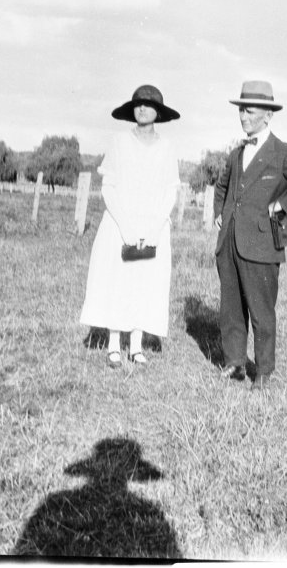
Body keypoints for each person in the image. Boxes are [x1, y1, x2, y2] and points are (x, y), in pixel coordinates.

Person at [213, 80, 287, 392]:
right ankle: (235, 363)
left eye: (249, 112)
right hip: (230, 244)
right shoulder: (236, 153)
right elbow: (223, 185)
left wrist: (283, 207)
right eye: (241, 111)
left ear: (267, 116)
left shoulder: (283, 153)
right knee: (231, 307)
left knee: (262, 311)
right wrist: (219, 214)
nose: (243, 117)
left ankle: (263, 372)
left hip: (263, 245)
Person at [80, 85, 181, 367]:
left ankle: (136, 346)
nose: (142, 109)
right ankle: (114, 344)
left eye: (149, 105)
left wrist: (154, 226)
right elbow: (109, 186)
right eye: (138, 104)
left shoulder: (166, 147)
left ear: (158, 112)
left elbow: (169, 191)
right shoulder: (119, 142)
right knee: (118, 279)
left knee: (145, 281)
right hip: (119, 222)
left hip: (153, 224)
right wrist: (124, 224)